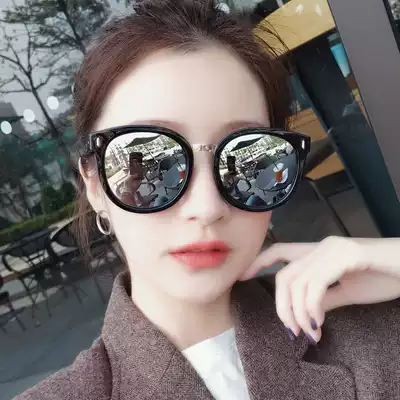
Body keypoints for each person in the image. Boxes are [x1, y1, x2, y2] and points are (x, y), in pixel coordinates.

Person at [16, 1, 400, 399]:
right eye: (152, 164)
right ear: (95, 186)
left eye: (248, 161)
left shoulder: (375, 331)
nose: (207, 208)